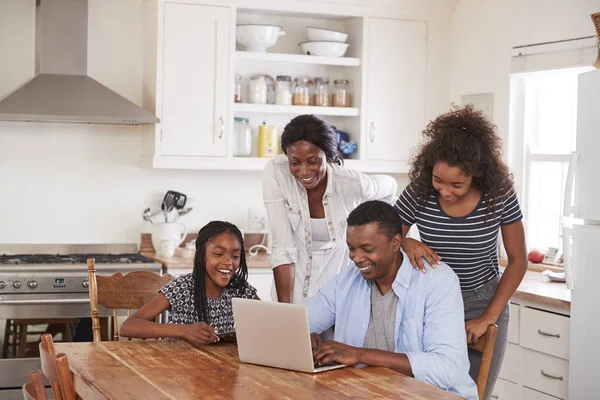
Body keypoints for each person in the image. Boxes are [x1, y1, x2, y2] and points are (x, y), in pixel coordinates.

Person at [394, 105, 527, 400]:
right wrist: (407, 242)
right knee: (425, 393)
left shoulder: (499, 195)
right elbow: (387, 237)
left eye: (457, 184)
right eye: (438, 181)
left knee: (475, 395)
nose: (445, 191)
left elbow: (519, 261)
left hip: (483, 304)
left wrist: (489, 317)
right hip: (431, 305)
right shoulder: (419, 191)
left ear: (476, 174)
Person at [305, 200, 478, 400]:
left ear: (396, 243)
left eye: (367, 249)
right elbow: (301, 320)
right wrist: (300, 334)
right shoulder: (349, 277)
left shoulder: (437, 281)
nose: (356, 258)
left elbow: (449, 369)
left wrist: (361, 355)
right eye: (351, 248)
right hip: (367, 392)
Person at [263, 114, 397, 304]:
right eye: (295, 162)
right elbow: (283, 247)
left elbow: (390, 186)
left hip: (337, 291)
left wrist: (383, 237)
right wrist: (286, 313)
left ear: (328, 156)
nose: (303, 171)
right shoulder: (277, 173)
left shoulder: (352, 184)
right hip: (292, 286)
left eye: (312, 161)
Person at [120, 221, 258, 345]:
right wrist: (184, 330)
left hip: (221, 368)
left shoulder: (240, 289)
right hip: (179, 367)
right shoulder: (182, 288)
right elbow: (128, 327)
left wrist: (238, 334)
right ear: (201, 255)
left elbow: (270, 321)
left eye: (235, 256)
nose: (228, 262)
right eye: (218, 254)